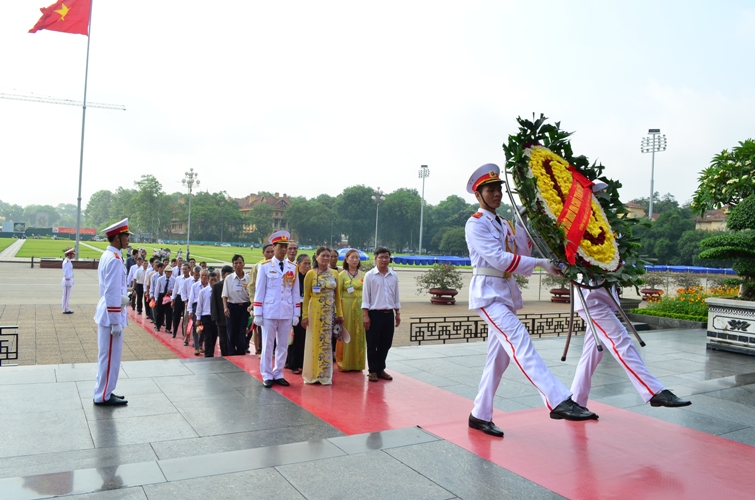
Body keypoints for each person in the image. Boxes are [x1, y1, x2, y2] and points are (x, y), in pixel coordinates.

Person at [464, 163, 597, 438]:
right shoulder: (475, 223)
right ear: (478, 195)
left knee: (498, 360)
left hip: (504, 292)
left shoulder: (504, 223)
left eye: (499, 189)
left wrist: (528, 221)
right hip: (488, 293)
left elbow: (520, 249)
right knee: (519, 341)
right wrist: (540, 263)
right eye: (490, 190)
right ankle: (558, 399)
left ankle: (480, 413)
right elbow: (498, 259)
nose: (496, 194)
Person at [570, 284, 691, 408]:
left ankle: (575, 402)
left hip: (602, 299)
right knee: (622, 343)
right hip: (592, 301)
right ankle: (654, 391)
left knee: (591, 354)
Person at [253, 231, 301, 387]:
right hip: (269, 311)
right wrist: (258, 312)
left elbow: (294, 292)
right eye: (280, 246)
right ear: (274, 247)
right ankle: (267, 374)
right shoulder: (265, 266)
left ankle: (278, 372)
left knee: (283, 345)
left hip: (286, 310)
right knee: (267, 345)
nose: (283, 250)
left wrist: (296, 312)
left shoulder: (293, 267)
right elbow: (260, 290)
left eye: (286, 247)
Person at [93, 218, 132, 406]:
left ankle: (105, 391)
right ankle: (103, 395)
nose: (128, 239)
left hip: (108, 311)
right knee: (110, 357)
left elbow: (105, 290)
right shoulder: (115, 260)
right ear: (117, 238)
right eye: (126, 236)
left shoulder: (107, 256)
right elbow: (111, 291)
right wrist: (115, 320)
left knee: (107, 356)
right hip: (111, 316)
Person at [302, 246, 343, 385]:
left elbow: (337, 296)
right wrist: (304, 316)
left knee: (326, 343)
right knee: (314, 342)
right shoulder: (311, 274)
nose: (326, 258)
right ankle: (312, 374)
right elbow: (306, 297)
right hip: (314, 312)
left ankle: (324, 375)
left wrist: (340, 314)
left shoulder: (335, 273)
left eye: (328, 256)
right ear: (317, 257)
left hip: (329, 313)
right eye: (323, 255)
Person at [361, 247, 400, 382]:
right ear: (375, 258)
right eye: (381, 257)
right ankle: (372, 370)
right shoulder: (370, 276)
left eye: (386, 257)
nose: (384, 260)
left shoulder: (393, 275)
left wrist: (397, 313)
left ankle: (380, 368)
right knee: (372, 343)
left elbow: (396, 296)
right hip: (374, 314)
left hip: (388, 314)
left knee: (386, 343)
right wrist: (366, 316)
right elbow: (366, 298)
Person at [337, 249, 366, 371]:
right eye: (352, 257)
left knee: (359, 334)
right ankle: (345, 363)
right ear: (346, 259)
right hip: (346, 307)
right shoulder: (342, 275)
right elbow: (337, 295)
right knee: (347, 334)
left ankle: (358, 363)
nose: (355, 260)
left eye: (357, 258)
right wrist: (338, 312)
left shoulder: (364, 275)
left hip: (360, 308)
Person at [247, 244, 275, 355]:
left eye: (272, 252)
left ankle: (274, 350)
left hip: (276, 303)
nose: (270, 254)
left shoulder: (280, 265)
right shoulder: (258, 266)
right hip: (262, 303)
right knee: (262, 328)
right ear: (263, 253)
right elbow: (251, 286)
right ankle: (262, 350)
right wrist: (254, 302)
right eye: (268, 252)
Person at [286, 253, 311, 375]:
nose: (307, 266)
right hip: (295, 309)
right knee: (294, 337)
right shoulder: (294, 276)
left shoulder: (310, 276)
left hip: (307, 309)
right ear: (298, 264)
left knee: (304, 338)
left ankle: (302, 362)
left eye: (309, 263)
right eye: (304, 263)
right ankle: (293, 363)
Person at [223, 254, 251, 356]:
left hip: (244, 307)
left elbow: (252, 294)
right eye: (236, 263)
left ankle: (240, 352)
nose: (238, 265)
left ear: (244, 264)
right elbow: (224, 295)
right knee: (231, 331)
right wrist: (225, 307)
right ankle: (231, 353)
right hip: (232, 306)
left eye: (240, 263)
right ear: (233, 265)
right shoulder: (229, 278)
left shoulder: (248, 278)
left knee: (242, 331)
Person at [211, 265, 233, 356]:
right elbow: (214, 302)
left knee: (231, 338)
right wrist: (215, 318)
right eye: (228, 275)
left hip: (232, 316)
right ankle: (224, 355)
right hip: (221, 317)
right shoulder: (217, 286)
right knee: (223, 339)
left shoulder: (234, 285)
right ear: (223, 275)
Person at [195, 271, 218, 356]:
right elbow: (199, 305)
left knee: (214, 337)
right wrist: (198, 318)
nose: (213, 282)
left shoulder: (219, 292)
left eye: (215, 280)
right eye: (211, 280)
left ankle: (211, 352)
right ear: (208, 280)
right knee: (207, 337)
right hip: (206, 316)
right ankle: (208, 355)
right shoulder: (203, 292)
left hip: (215, 317)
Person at [188, 268, 208, 355]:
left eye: (205, 275)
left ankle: (200, 346)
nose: (204, 277)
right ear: (199, 276)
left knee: (203, 328)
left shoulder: (210, 286)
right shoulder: (195, 286)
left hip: (206, 307)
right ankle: (196, 347)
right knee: (196, 327)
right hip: (196, 306)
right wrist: (190, 310)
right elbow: (191, 298)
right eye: (202, 275)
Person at [155, 266, 175, 333]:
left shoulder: (174, 279)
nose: (169, 273)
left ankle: (168, 328)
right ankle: (158, 326)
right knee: (160, 312)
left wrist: (171, 291)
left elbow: (175, 288)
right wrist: (156, 298)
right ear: (165, 272)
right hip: (162, 295)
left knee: (169, 313)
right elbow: (157, 289)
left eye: (170, 272)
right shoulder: (160, 279)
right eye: (167, 272)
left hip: (169, 296)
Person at [61, 247, 75, 314]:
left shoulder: (68, 261)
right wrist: (68, 281)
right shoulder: (66, 262)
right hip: (67, 281)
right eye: (72, 254)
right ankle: (65, 309)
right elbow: (66, 272)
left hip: (69, 280)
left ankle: (66, 308)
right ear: (69, 255)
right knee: (66, 296)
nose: (73, 255)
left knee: (67, 296)